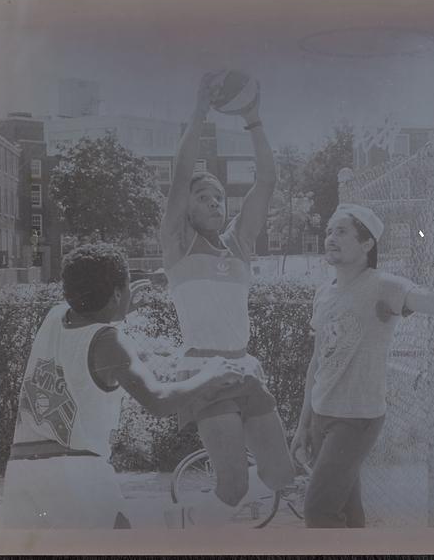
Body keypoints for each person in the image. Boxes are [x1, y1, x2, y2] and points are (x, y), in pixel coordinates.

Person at [1, 244, 244, 529]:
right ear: (116, 294)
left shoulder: (55, 315)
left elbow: (86, 311)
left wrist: (118, 304)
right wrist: (211, 375)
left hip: (21, 472)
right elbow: (158, 399)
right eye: (126, 287)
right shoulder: (110, 342)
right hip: (76, 470)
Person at [291, 203, 434, 528]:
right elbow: (318, 362)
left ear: (366, 244)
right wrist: (303, 425)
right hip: (322, 415)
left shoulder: (384, 285)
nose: (330, 237)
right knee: (347, 511)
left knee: (318, 512)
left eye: (341, 231)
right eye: (329, 230)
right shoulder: (324, 294)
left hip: (356, 419)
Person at [159, 71, 294, 526]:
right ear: (188, 207)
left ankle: (225, 521)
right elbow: (180, 176)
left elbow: (268, 181)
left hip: (243, 364)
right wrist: (200, 111)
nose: (215, 202)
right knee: (233, 488)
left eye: (218, 197)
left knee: (280, 475)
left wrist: (254, 119)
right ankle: (180, 529)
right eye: (203, 197)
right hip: (203, 370)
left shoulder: (238, 244)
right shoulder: (179, 244)